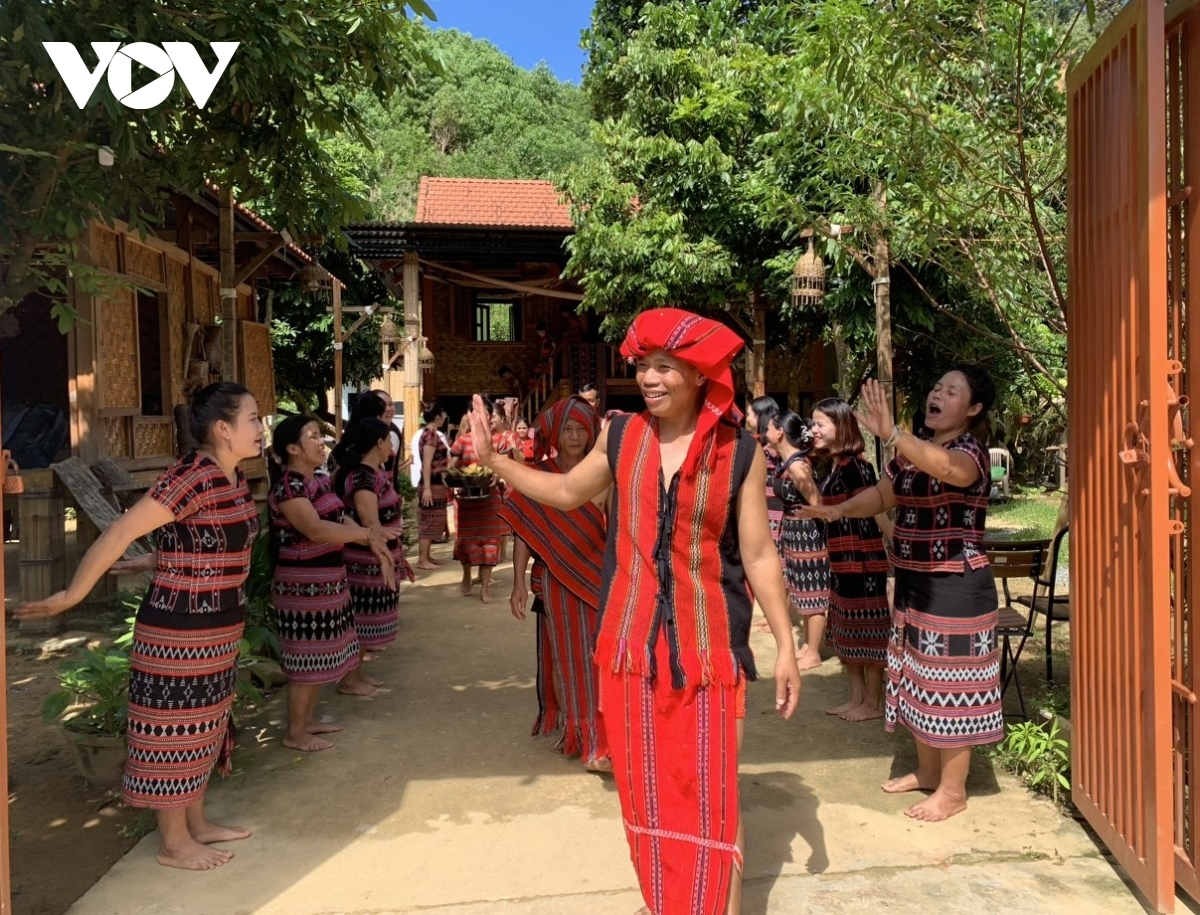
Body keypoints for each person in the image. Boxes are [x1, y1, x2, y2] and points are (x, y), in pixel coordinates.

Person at [468, 308, 801, 915]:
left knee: (713, 793)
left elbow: (757, 554)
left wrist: (785, 647)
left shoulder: (741, 452)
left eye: (665, 367)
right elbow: (566, 492)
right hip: (629, 645)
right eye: (644, 365)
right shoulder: (620, 437)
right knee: (646, 792)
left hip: (710, 650)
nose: (649, 378)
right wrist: (496, 461)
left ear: (698, 375)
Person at [17, 383, 263, 870]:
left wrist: (159, 557)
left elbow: (203, 538)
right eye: (253, 418)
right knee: (173, 731)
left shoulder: (231, 477)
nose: (260, 427)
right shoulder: (191, 476)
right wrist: (73, 595)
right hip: (179, 632)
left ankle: (196, 824)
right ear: (223, 428)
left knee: (204, 726)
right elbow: (122, 529)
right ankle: (174, 843)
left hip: (219, 627)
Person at [801, 369, 1000, 822]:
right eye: (937, 386)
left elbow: (947, 469)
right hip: (914, 582)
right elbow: (881, 495)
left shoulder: (970, 452)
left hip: (956, 585)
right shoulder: (912, 453)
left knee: (952, 687)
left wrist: (894, 434)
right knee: (918, 680)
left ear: (973, 409)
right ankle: (929, 772)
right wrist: (839, 509)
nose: (937, 393)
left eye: (952, 391)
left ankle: (953, 791)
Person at [267, 416, 399, 746]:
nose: (321, 442)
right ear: (293, 448)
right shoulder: (289, 486)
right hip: (302, 586)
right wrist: (366, 536)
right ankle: (295, 732)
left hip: (328, 581)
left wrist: (373, 539)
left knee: (320, 653)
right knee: (305, 657)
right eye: (313, 436)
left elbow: (340, 517)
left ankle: (307, 721)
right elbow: (315, 529)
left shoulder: (319, 481)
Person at [500, 397, 610, 772]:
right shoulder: (538, 476)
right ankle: (579, 729)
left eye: (581, 429)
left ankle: (601, 731)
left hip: (598, 578)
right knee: (567, 659)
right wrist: (517, 582)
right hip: (555, 581)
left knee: (599, 657)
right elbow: (524, 532)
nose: (575, 436)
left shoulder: (604, 473)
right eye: (567, 429)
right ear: (555, 434)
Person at [810, 398, 891, 721]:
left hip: (863, 562)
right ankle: (857, 698)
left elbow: (876, 509)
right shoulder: (833, 465)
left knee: (869, 631)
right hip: (842, 562)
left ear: (841, 427)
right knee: (846, 630)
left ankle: (873, 703)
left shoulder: (857, 467)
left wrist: (893, 540)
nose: (814, 430)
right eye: (813, 424)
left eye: (820, 424)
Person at [332, 418, 414, 657]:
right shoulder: (363, 477)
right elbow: (370, 524)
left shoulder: (374, 473)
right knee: (361, 625)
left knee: (366, 627)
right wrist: (385, 556)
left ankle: (358, 672)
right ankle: (353, 675)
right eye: (389, 440)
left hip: (375, 558)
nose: (392, 445)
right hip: (367, 562)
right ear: (379, 443)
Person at [766, 413, 830, 673]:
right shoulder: (789, 463)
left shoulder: (797, 467)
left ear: (780, 432)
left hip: (808, 535)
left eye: (769, 428)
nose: (765, 432)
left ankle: (813, 652)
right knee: (801, 590)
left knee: (812, 592)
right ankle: (808, 646)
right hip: (795, 533)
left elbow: (818, 504)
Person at [449, 397, 521, 603]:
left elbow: (504, 466)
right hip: (466, 500)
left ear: (490, 417)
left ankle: (485, 588)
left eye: (486, 414)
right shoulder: (462, 441)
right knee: (467, 540)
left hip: (490, 499)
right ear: (470, 416)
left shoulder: (499, 441)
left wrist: (495, 476)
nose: (482, 418)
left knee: (490, 542)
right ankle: (466, 575)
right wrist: (459, 477)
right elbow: (451, 467)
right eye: (477, 413)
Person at [745, 395, 784, 544]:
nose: (747, 419)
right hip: (763, 504)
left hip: (774, 505)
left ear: (760, 415)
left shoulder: (771, 447)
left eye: (750, 414)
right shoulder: (760, 443)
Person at [417, 404, 451, 571]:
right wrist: (427, 488)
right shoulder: (430, 435)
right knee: (428, 520)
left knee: (433, 520)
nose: (443, 419)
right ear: (437, 417)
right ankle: (422, 558)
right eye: (442, 416)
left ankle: (427, 556)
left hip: (436, 482)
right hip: (432, 482)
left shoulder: (431, 434)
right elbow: (427, 462)